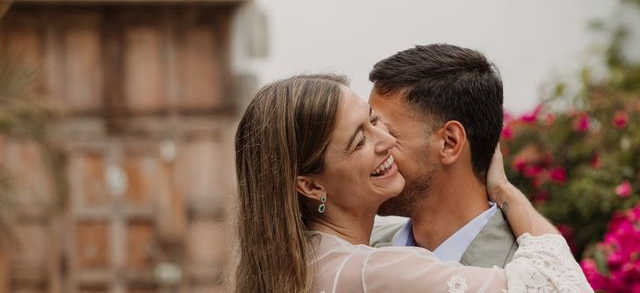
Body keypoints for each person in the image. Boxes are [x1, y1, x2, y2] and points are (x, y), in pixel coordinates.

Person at [233, 74, 592, 293]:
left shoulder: (290, 260)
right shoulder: (375, 271)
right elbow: (553, 285)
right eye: (359, 141)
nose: (386, 141)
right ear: (310, 186)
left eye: (376, 122)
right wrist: (505, 191)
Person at [369, 44, 515, 267]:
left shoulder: (522, 274)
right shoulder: (358, 253)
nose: (366, 151)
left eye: (384, 132)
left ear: (449, 142)